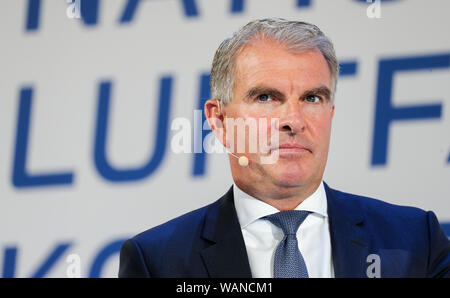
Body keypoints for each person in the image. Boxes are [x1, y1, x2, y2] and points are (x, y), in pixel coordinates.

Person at [118, 18, 450, 278]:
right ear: (219, 121)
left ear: (330, 113)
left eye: (312, 98)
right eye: (266, 97)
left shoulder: (415, 241)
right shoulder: (158, 262)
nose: (294, 120)